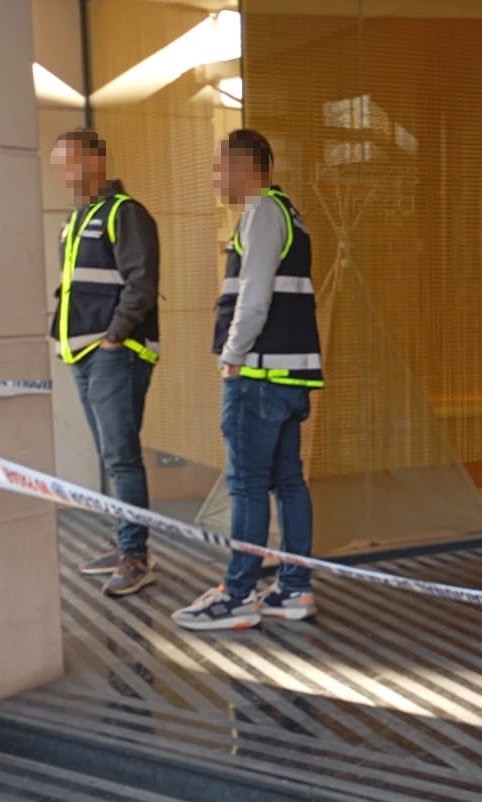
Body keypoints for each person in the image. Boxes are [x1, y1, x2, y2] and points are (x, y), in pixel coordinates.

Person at [174, 129, 323, 632]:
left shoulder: (261, 211)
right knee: (288, 482)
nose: (216, 177)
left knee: (248, 485)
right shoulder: (291, 214)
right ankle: (294, 589)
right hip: (291, 376)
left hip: (258, 375)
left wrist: (232, 356)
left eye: (220, 167)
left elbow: (253, 298)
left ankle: (238, 593)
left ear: (245, 165)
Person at [48, 129, 162, 596]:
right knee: (112, 458)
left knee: (122, 458)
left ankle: (136, 557)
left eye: (70, 163)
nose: (65, 174)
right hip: (84, 354)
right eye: (60, 166)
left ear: (95, 161)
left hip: (114, 353)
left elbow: (141, 282)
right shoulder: (77, 219)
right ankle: (125, 545)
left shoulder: (124, 213)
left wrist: (114, 337)